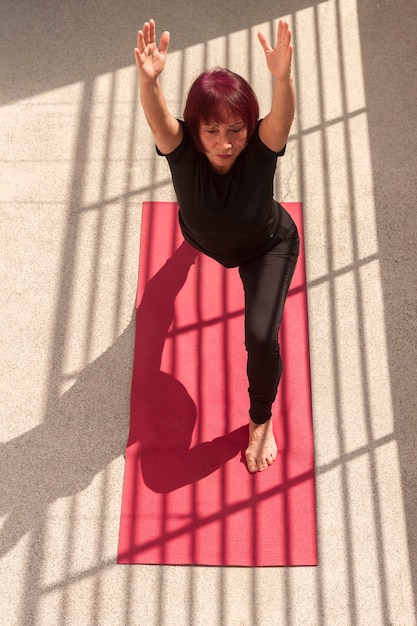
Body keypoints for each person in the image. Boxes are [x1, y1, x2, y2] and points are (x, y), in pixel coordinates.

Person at [134, 18, 299, 473]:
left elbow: (282, 118)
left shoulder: (262, 148)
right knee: (161, 300)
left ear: (250, 126)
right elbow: (158, 117)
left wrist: (281, 80)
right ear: (195, 128)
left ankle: (261, 418)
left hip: (266, 245)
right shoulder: (180, 147)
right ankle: (190, 252)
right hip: (202, 236)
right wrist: (149, 83)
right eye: (212, 131)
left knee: (262, 337)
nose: (225, 143)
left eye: (236, 131)